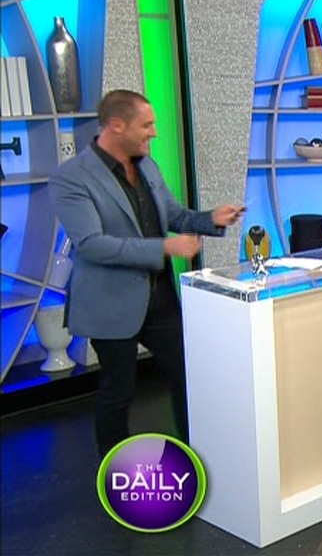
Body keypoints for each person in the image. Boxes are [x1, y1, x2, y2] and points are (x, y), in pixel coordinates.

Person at [48, 89, 245, 458]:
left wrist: (210, 219)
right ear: (116, 126)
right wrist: (164, 248)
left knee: (190, 375)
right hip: (110, 303)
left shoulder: (147, 166)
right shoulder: (72, 178)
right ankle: (116, 471)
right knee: (118, 392)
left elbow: (172, 215)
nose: (153, 132)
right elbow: (92, 244)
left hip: (160, 298)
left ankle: (199, 457)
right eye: (146, 125)